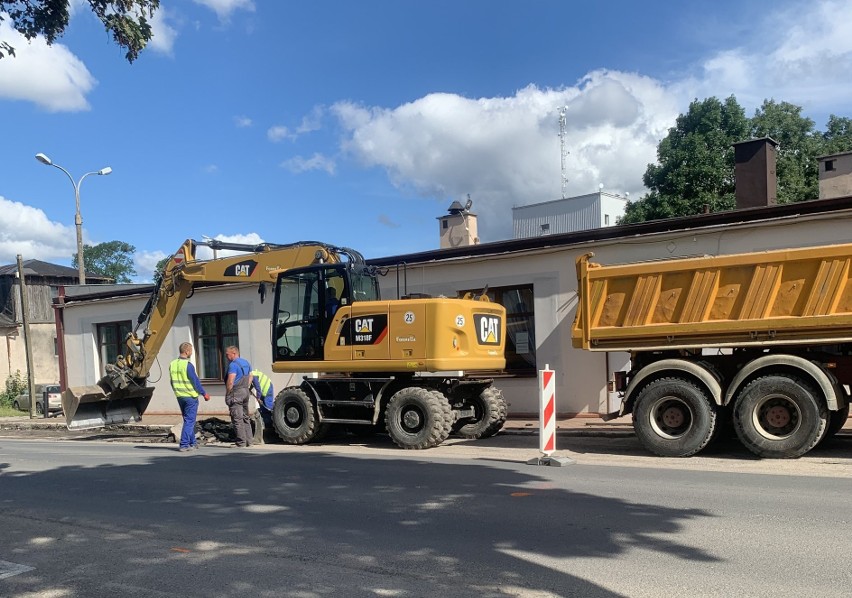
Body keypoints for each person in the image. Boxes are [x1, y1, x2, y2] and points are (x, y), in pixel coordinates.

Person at [169, 342, 210, 452]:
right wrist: (204, 393)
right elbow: (195, 382)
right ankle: (184, 444)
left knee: (188, 420)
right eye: (191, 350)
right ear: (187, 351)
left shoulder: (172, 364)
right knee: (189, 421)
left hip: (180, 396)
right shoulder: (188, 365)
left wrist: (177, 391)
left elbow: (172, 382)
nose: (192, 352)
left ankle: (193, 443)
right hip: (190, 397)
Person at [225, 345, 254, 447]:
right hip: (245, 391)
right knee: (246, 417)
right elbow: (251, 376)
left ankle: (241, 442)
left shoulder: (233, 365)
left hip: (236, 393)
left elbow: (231, 380)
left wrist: (228, 392)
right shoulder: (246, 362)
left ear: (234, 353)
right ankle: (249, 441)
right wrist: (247, 386)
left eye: (227, 354)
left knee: (237, 418)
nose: (226, 357)